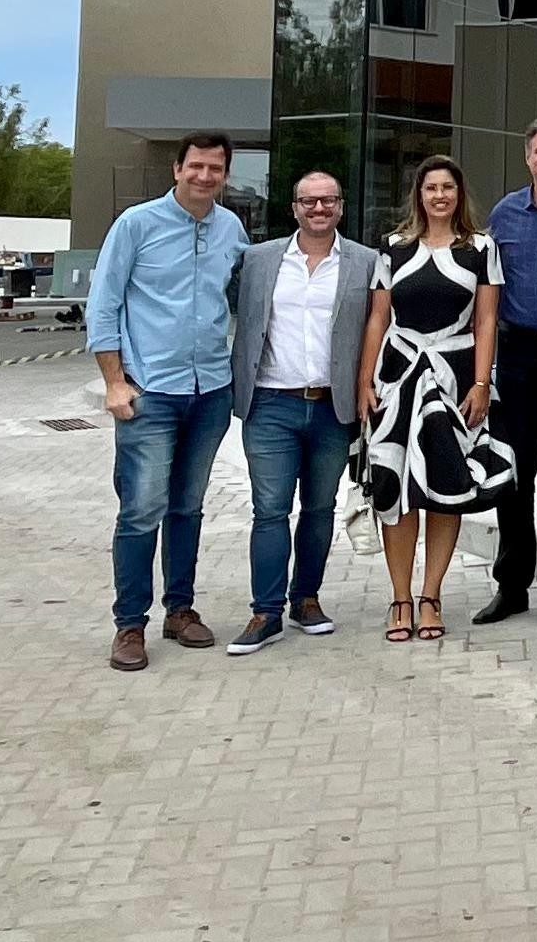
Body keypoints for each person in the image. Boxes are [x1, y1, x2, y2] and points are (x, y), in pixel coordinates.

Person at [84, 133, 249, 671]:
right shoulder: (136, 225)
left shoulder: (232, 230)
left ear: (225, 174)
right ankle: (130, 624)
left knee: (188, 507)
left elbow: (243, 300)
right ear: (177, 169)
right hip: (151, 392)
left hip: (209, 394)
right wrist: (114, 382)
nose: (205, 176)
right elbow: (103, 304)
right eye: (196, 166)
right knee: (141, 511)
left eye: (216, 168)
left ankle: (180, 610)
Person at [358, 153, 514, 642]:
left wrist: (482, 383)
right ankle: (399, 599)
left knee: (445, 489)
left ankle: (431, 596)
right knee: (396, 489)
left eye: (448, 187)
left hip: (454, 379)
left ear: (459, 193)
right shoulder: (392, 248)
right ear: (419, 195)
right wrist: (364, 380)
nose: (439, 195)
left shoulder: (481, 248)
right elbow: (378, 319)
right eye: (431, 188)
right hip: (397, 379)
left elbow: (486, 320)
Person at [226, 170, 377, 650]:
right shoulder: (257, 260)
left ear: (340, 206)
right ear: (293, 208)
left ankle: (306, 598)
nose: (318, 209)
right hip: (270, 404)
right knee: (270, 510)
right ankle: (265, 612)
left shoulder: (367, 263)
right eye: (308, 201)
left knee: (319, 508)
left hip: (333, 407)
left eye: (328, 201)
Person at [475, 119, 537, 626]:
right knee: (516, 472)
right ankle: (512, 583)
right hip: (517, 353)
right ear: (528, 158)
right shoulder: (504, 213)